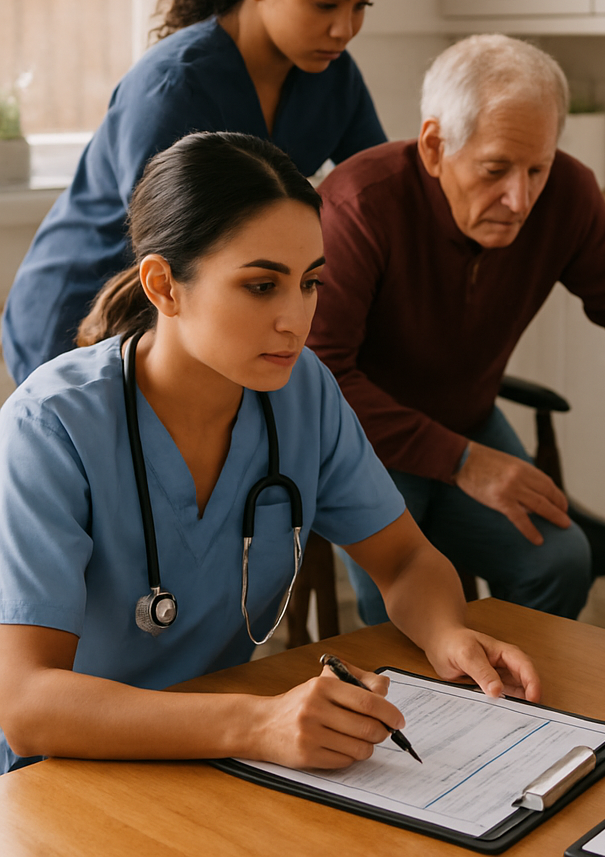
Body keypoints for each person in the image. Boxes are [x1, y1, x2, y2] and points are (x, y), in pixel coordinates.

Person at [0, 132, 539, 776]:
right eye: (261, 286)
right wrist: (257, 722)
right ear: (164, 286)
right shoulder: (50, 426)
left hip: (211, 754)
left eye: (310, 283)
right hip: (63, 774)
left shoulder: (302, 390)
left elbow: (403, 560)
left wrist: (448, 633)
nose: (296, 319)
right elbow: (28, 705)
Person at [307, 34, 605, 627]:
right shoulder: (358, 207)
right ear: (434, 147)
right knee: (404, 607)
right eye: (495, 169)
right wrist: (462, 462)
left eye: (538, 168)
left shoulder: (568, 194)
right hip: (361, 442)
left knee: (561, 562)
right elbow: (319, 379)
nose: (520, 198)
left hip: (469, 420)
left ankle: (516, 710)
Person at [2, 0, 390, 385]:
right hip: (83, 313)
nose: (345, 29)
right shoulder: (173, 89)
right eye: (326, 2)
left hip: (198, 313)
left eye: (360, 5)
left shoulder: (332, 76)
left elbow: (378, 195)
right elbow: (175, 252)